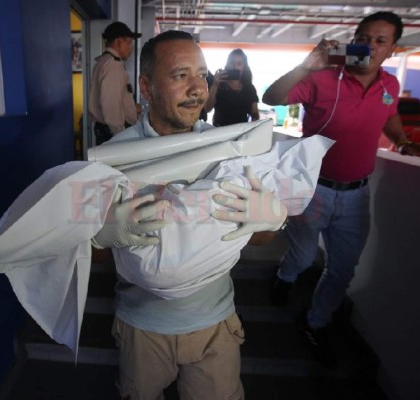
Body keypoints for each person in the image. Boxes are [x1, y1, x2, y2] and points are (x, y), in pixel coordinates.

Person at [93, 30, 288, 400]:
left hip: (214, 324)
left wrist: (277, 220)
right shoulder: (111, 158)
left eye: (202, 75)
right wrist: (98, 234)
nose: (197, 88)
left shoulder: (230, 150)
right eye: (181, 75)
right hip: (142, 327)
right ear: (146, 88)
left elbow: (259, 236)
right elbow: (85, 252)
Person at [262, 11, 420, 368]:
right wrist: (306, 64)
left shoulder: (389, 86)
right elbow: (273, 97)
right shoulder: (323, 79)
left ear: (392, 49)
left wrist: (403, 141)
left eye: (380, 41)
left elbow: (389, 117)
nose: (370, 47)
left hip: (357, 195)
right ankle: (285, 277)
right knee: (301, 254)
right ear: (353, 39)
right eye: (364, 38)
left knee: (343, 269)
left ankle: (315, 322)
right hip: (313, 190)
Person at [88, 21, 141, 144]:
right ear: (118, 42)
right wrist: (120, 135)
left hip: (105, 129)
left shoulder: (103, 61)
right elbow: (110, 103)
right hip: (113, 133)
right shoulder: (113, 65)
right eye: (128, 42)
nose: (130, 47)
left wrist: (131, 109)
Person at [204, 48, 259, 126]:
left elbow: (254, 112)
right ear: (228, 64)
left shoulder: (249, 88)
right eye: (232, 63)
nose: (235, 67)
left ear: (244, 67)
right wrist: (215, 85)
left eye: (239, 64)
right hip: (219, 130)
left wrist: (255, 121)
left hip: (242, 131)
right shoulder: (219, 84)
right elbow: (207, 108)